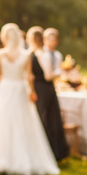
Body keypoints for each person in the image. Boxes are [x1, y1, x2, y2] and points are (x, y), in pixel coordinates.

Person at [0, 24, 59, 175]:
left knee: (2, 123)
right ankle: (23, 159)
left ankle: (1, 159)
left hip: (5, 89)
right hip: (19, 89)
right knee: (22, 123)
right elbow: (29, 77)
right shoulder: (25, 55)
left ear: (5, 37)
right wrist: (31, 92)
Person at [28, 27, 70, 161]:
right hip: (43, 89)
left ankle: (55, 152)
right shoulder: (42, 54)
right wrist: (62, 72)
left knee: (51, 119)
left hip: (47, 89)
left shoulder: (53, 55)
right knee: (45, 118)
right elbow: (48, 75)